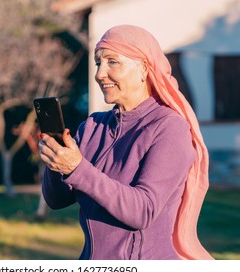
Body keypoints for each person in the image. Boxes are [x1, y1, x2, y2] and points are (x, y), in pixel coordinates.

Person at [38, 24, 213, 260]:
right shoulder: (92, 127)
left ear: (143, 69)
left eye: (112, 62)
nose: (100, 74)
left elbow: (143, 211)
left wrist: (77, 168)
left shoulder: (169, 128)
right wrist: (55, 161)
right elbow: (57, 200)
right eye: (98, 62)